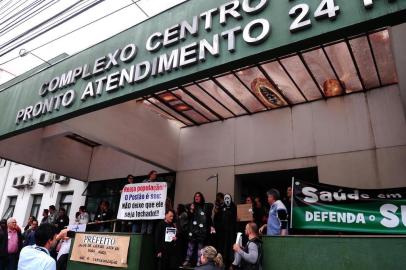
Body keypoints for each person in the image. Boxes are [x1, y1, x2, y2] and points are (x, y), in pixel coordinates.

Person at [183, 192, 214, 267]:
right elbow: (188, 216)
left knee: (200, 248)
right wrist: (191, 210)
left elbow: (209, 215)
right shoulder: (192, 206)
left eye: (198, 196)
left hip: (201, 231)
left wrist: (211, 226)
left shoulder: (205, 207)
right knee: (190, 246)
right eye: (195, 196)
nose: (196, 197)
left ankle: (199, 262)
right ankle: (187, 260)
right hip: (193, 230)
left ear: (201, 197)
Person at [213, 193, 236, 268]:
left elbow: (235, 218)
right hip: (221, 233)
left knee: (229, 249)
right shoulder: (221, 207)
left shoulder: (233, 207)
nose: (226, 200)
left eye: (228, 198)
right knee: (222, 248)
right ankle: (222, 264)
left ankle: (230, 264)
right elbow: (217, 218)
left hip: (230, 232)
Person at [141, 170, 158, 235]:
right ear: (150, 175)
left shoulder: (157, 183)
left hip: (152, 206)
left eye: (156, 175)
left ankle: (148, 236)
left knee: (150, 222)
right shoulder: (145, 182)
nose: (155, 176)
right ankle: (143, 236)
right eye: (154, 174)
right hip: (145, 205)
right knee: (144, 222)